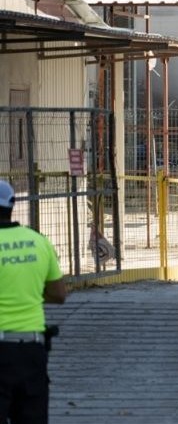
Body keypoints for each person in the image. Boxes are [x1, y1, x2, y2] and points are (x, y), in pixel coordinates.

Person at [0, 180, 68, 422]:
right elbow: (59, 295)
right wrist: (28, 293)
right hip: (32, 350)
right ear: (12, 206)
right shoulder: (38, 241)